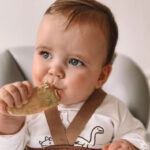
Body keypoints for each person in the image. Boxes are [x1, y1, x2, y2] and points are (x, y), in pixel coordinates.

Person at [0, 0, 148, 149]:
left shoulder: (114, 109)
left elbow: (138, 136)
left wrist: (129, 145)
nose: (55, 70)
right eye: (45, 54)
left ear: (101, 76)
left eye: (75, 62)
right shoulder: (25, 109)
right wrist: (8, 120)